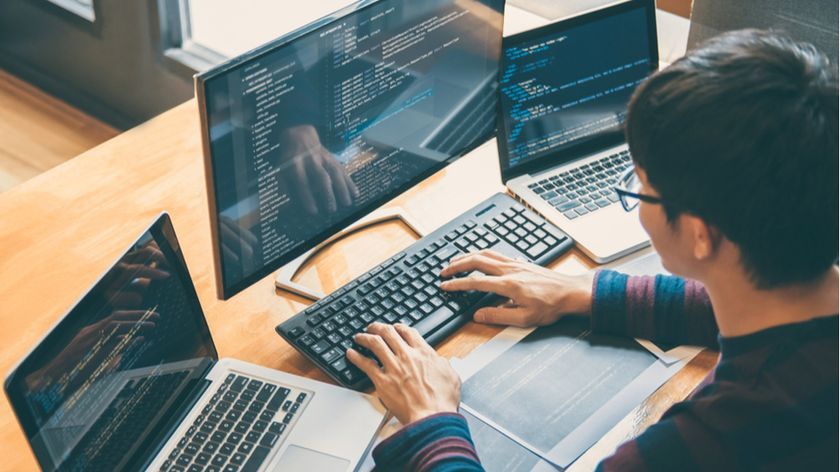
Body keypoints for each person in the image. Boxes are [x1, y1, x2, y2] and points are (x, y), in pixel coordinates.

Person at [346, 29, 839, 470]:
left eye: (640, 186)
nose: (636, 198)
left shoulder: (708, 440)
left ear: (699, 234)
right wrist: (585, 292)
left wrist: (430, 422)